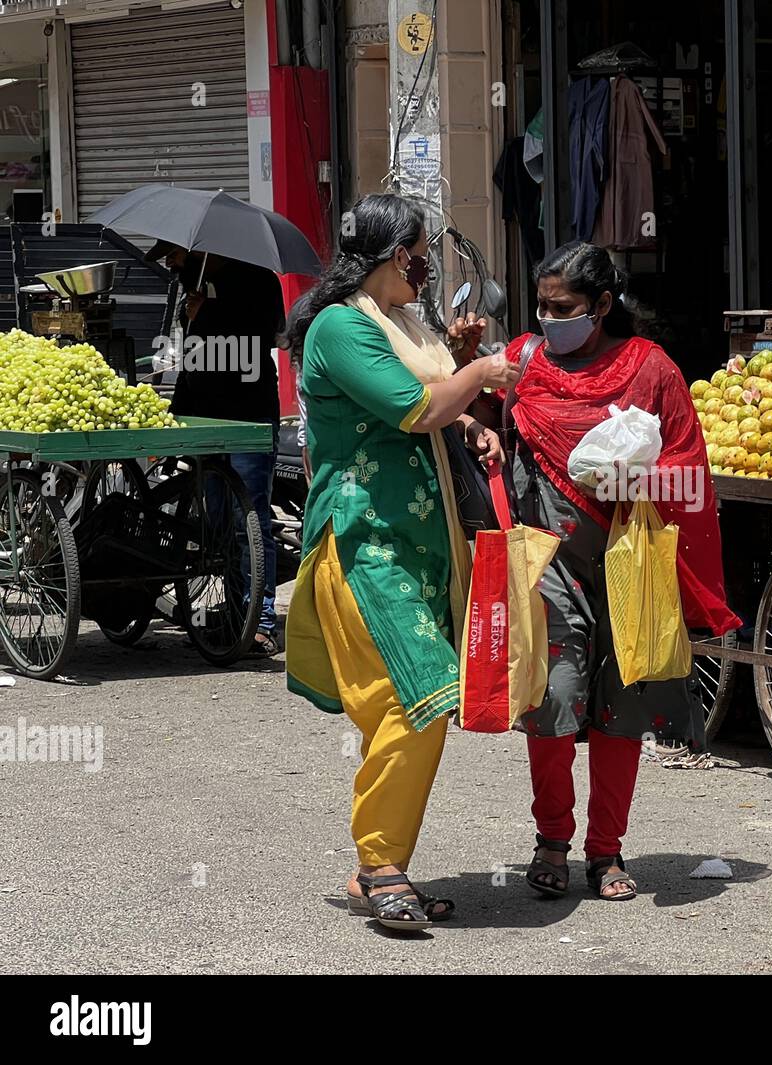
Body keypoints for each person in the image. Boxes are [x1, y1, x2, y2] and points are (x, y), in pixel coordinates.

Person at [282, 193, 518, 929]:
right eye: (419, 253)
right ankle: (380, 863)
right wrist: (478, 375)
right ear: (390, 256)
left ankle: (380, 867)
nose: (427, 265)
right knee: (425, 694)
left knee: (408, 701)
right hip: (364, 543)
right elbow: (415, 408)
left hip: (420, 546)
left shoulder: (405, 323)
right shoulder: (339, 328)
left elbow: (440, 413)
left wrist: (474, 418)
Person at [500, 241, 739, 901]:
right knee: (554, 698)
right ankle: (551, 838)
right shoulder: (521, 362)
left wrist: (633, 476)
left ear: (603, 305)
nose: (550, 319)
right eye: (542, 306)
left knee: (621, 710)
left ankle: (605, 850)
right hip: (549, 560)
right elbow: (464, 408)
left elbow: (690, 474)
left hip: (630, 568)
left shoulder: (652, 370)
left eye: (565, 307)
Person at [155, 242, 285, 655]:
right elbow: (193, 349)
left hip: (248, 415)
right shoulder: (192, 279)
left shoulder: (258, 280)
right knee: (217, 522)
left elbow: (269, 336)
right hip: (203, 416)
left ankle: (260, 618)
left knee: (250, 518)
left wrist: (207, 315)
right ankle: (232, 611)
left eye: (173, 254)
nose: (170, 263)